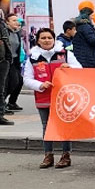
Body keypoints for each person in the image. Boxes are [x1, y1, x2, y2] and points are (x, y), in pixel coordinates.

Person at [24, 28, 82, 168]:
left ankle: (66, 155)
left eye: (49, 38)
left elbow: (79, 69)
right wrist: (40, 85)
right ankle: (48, 155)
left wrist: (70, 67)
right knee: (47, 126)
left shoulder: (65, 54)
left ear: (54, 39)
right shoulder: (33, 58)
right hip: (43, 96)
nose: (47, 40)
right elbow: (26, 79)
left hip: (64, 98)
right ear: (38, 41)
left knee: (64, 126)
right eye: (43, 38)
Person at [3, 13, 23, 112]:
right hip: (6, 60)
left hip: (15, 60)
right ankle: (1, 103)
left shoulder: (17, 32)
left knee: (20, 81)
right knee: (12, 82)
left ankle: (12, 102)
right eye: (13, 20)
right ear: (7, 22)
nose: (16, 22)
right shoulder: (4, 32)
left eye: (17, 20)